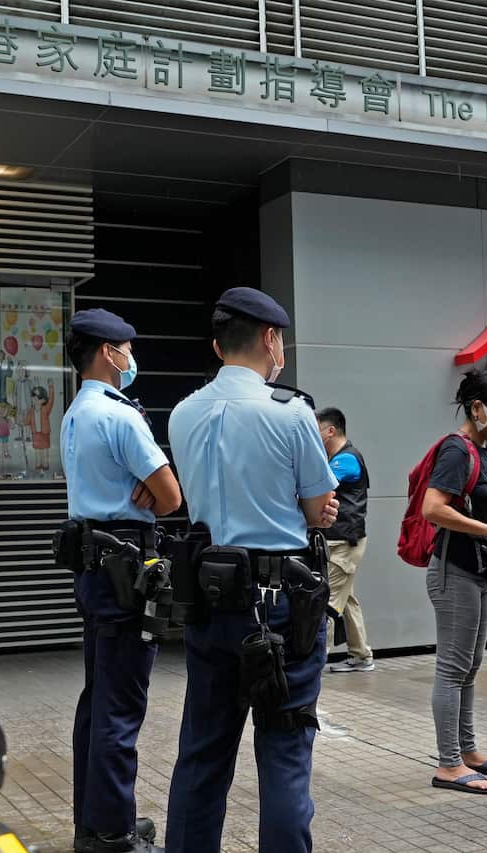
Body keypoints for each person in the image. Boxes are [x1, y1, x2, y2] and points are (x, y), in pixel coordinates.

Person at [164, 287, 338, 853]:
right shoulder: (292, 414)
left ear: (218, 346)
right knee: (285, 752)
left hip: (210, 598)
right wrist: (309, 505)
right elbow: (318, 510)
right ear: (270, 340)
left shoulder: (184, 412)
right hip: (279, 604)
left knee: (203, 752)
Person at [60, 308, 182, 853]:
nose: (132, 357)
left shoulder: (75, 414)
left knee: (99, 698)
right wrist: (151, 489)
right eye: (127, 348)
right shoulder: (120, 415)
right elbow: (171, 496)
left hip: (94, 567)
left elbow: (153, 489)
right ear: (109, 352)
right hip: (127, 566)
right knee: (120, 705)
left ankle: (95, 821)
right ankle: (114, 834)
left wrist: (148, 488)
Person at [420, 369, 487, 794]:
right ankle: (448, 764)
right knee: (452, 668)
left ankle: (467, 749)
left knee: (470, 667)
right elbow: (432, 508)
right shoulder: (457, 451)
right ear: (476, 408)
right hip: (453, 572)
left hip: (478, 573)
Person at [315, 407, 374, 673]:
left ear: (330, 431)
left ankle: (312, 665)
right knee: (346, 598)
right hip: (339, 541)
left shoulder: (346, 460)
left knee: (324, 603)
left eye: (316, 429)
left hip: (343, 542)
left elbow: (319, 487)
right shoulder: (336, 458)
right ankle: (361, 656)